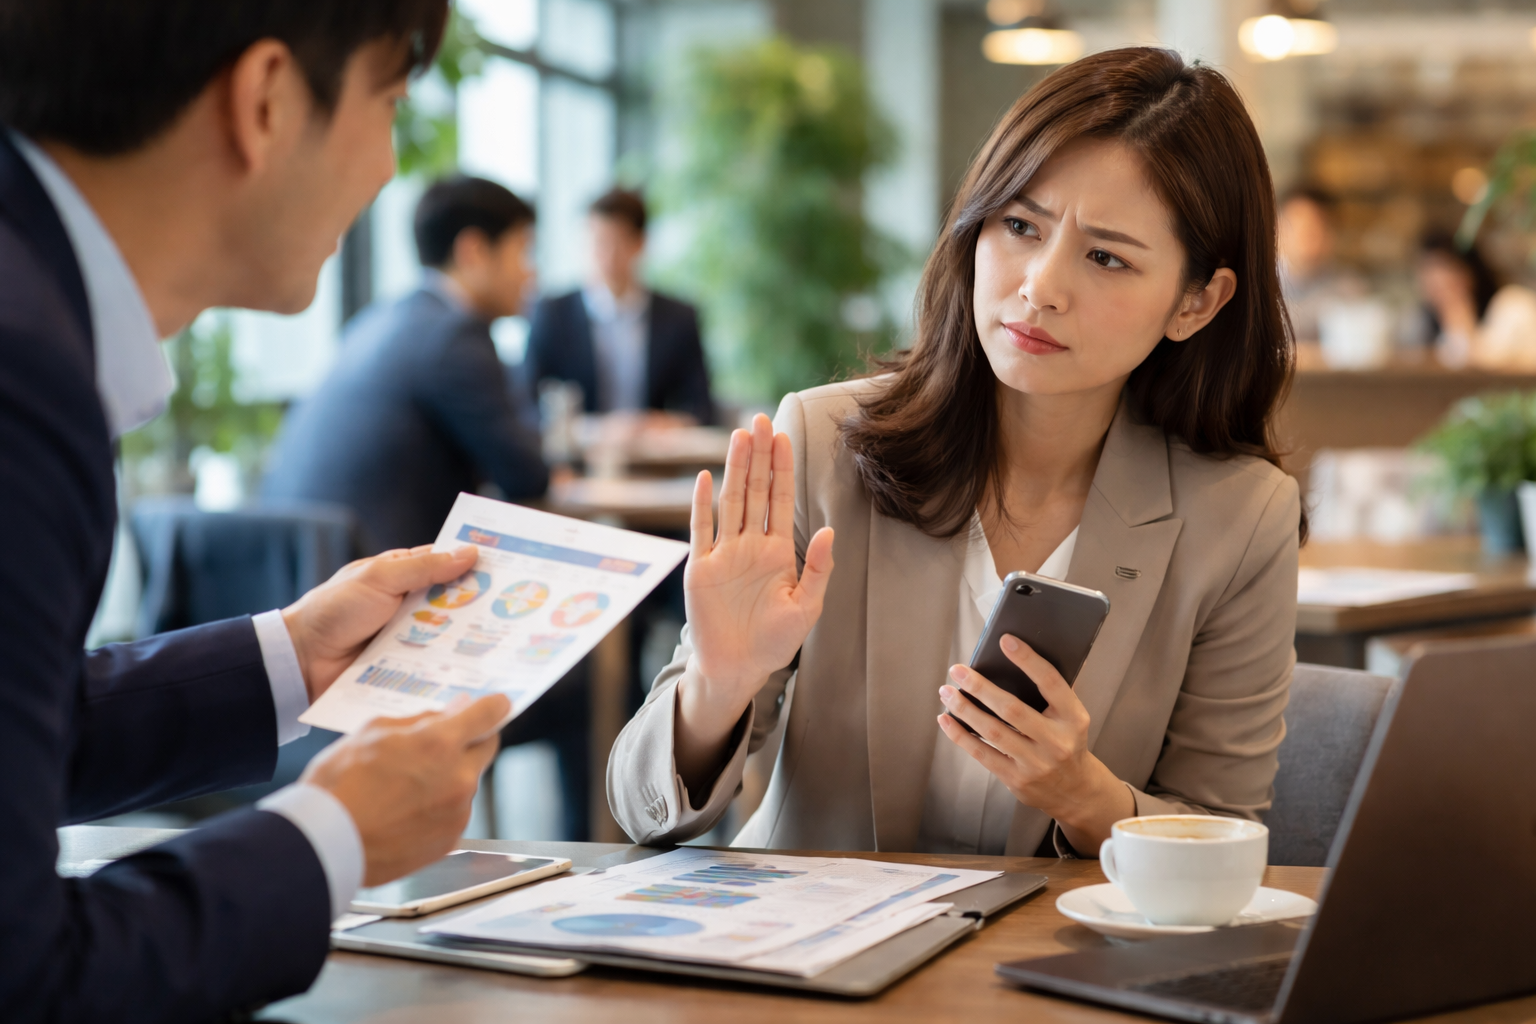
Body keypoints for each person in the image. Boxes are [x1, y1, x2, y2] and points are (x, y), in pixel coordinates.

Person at [608, 48, 1303, 860]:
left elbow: (1226, 841)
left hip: (1052, 974)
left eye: (1106, 256)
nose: (1040, 285)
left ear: (1197, 301)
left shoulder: (1240, 517)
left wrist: (1085, 794)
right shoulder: (828, 447)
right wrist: (717, 685)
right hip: (811, 959)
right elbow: (642, 812)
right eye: (1020, 226)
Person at [0, 3, 514, 1020]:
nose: (382, 171)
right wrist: (333, 831)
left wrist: (291, 654)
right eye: (389, 104)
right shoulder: (24, 376)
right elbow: (25, 973)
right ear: (267, 99)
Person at [263, 175, 549, 553]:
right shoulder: (454, 336)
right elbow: (526, 475)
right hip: (366, 578)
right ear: (474, 251)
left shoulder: (384, 318)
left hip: (301, 567)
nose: (532, 272)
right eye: (523, 251)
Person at [524, 187, 715, 425]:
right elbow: (526, 404)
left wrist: (661, 424)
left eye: (616, 242)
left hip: (656, 454)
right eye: (597, 242)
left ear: (640, 244)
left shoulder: (680, 318)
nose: (607, 256)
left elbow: (702, 408)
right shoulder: (552, 313)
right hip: (577, 455)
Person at [1415, 232, 1536, 371]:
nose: (1432, 283)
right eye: (1426, 272)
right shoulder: (1443, 332)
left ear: (1468, 271)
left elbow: (1485, 370)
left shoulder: (1513, 305)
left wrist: (1458, 312)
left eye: (1441, 269)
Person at [1276, 188, 1366, 344]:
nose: (1311, 241)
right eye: (1303, 230)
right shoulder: (1259, 285)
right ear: (1278, 229)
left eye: (1320, 229)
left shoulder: (1350, 288)